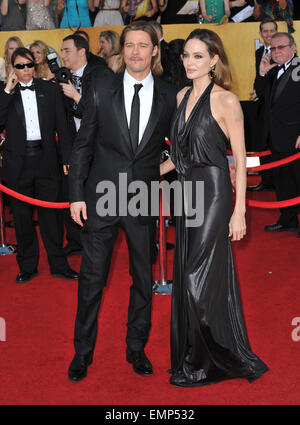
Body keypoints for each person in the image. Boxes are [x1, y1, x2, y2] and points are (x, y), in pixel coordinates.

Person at [67, 20, 177, 382]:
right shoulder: (102, 86)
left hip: (142, 199)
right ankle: (81, 352)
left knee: (143, 279)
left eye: (142, 45)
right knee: (91, 278)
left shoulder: (167, 95)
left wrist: (156, 173)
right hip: (100, 197)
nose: (135, 52)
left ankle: (136, 348)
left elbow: (179, 148)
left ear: (154, 51)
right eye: (129, 45)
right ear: (122, 50)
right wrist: (77, 195)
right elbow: (83, 144)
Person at [160, 29, 269, 387]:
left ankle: (206, 362)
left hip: (214, 192)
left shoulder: (226, 101)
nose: (189, 62)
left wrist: (240, 212)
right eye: (186, 56)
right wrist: (139, 172)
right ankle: (196, 353)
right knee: (190, 276)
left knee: (195, 277)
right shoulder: (180, 97)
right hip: (185, 192)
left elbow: (239, 157)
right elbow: (178, 156)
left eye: (197, 56)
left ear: (213, 60)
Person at [0, 47, 79, 283]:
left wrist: (67, 158)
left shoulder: (49, 89)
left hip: (46, 161)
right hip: (17, 164)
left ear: (35, 65)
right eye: (20, 66)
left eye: (29, 65)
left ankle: (58, 264)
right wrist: (7, 90)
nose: (25, 70)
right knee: (22, 221)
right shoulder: (5, 93)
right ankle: (27, 266)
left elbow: (62, 128)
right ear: (12, 68)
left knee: (52, 219)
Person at [59, 34, 107, 258]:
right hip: (73, 146)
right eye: (62, 50)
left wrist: (76, 96)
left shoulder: (100, 74)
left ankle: (96, 238)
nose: (62, 55)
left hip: (98, 147)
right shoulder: (60, 77)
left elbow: (103, 114)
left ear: (82, 52)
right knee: (73, 191)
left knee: (96, 194)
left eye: (67, 50)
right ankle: (75, 241)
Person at [255, 32, 300, 235]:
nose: (276, 52)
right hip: (276, 136)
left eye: (281, 47)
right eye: (273, 48)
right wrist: (262, 73)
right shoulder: (273, 71)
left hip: (295, 137)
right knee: (283, 182)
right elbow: (262, 96)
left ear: (293, 48)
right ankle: (288, 219)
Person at [248, 17, 277, 192]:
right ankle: (266, 180)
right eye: (265, 31)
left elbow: (278, 81)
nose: (268, 34)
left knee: (276, 144)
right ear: (260, 33)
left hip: (275, 106)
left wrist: (261, 93)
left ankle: (277, 181)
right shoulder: (259, 51)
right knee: (262, 143)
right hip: (261, 106)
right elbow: (259, 76)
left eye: (271, 30)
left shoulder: (282, 52)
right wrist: (255, 90)